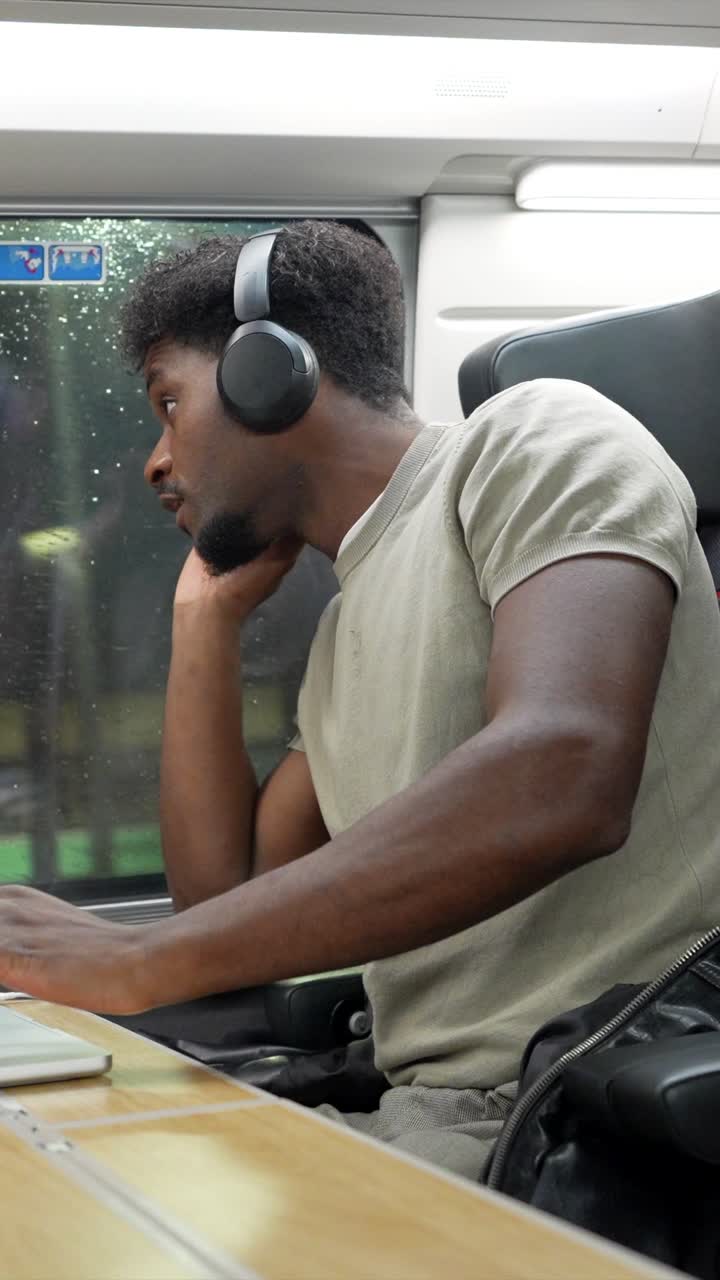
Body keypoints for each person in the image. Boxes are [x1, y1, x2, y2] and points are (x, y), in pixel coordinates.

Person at [1, 220, 718, 1182]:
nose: (155, 461)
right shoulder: (345, 633)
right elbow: (226, 907)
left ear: (268, 373)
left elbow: (565, 772)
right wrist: (202, 624)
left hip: (573, 1102)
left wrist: (138, 960)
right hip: (426, 1107)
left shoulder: (535, 439)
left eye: (170, 404)